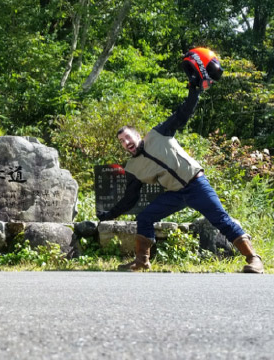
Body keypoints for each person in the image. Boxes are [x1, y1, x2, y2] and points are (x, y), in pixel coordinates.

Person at [97, 48, 264, 273]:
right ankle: (142, 260)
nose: (126, 142)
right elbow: (130, 198)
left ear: (137, 135)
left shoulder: (159, 133)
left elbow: (183, 114)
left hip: (196, 184)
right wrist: (108, 215)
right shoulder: (133, 168)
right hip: (175, 194)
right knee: (145, 216)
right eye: (121, 141)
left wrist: (193, 89)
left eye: (128, 136)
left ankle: (254, 259)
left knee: (220, 219)